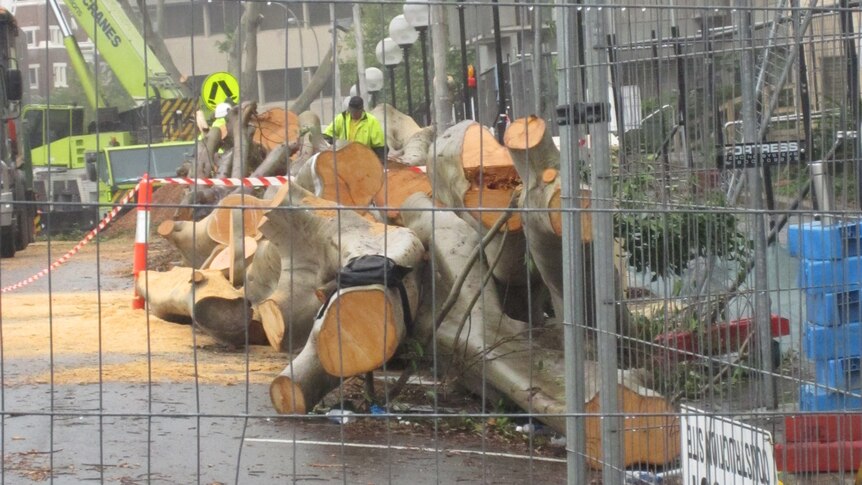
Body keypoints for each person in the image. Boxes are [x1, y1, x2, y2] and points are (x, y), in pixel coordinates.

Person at [323, 96, 386, 161]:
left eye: (356, 112)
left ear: (362, 109)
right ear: (349, 109)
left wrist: (379, 161)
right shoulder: (342, 118)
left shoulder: (371, 121)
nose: (353, 113)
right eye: (352, 111)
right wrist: (338, 143)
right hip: (344, 157)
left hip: (364, 159)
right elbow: (327, 135)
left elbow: (380, 147)